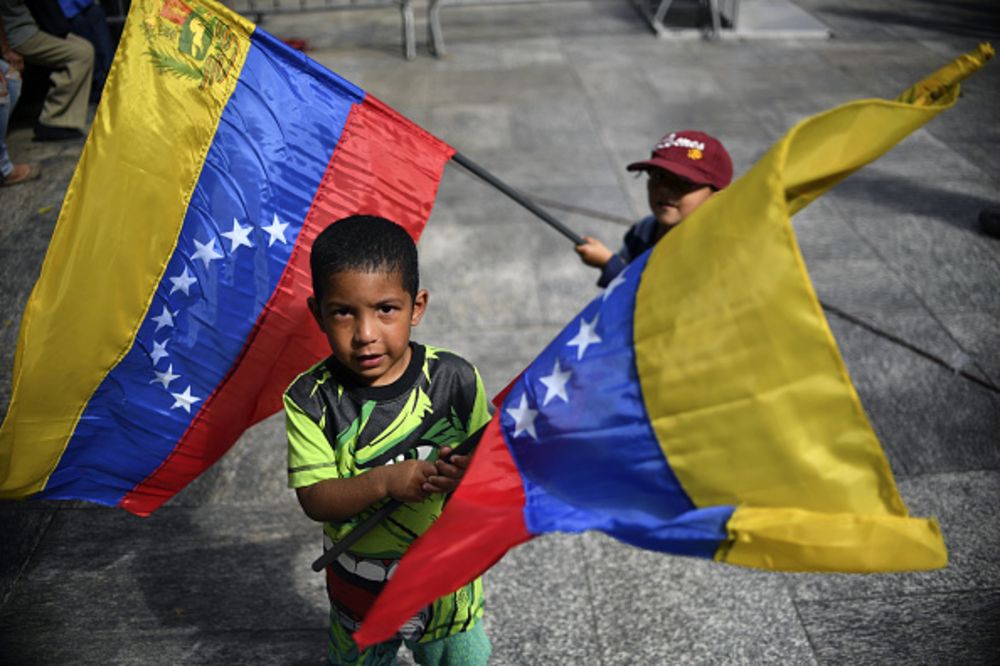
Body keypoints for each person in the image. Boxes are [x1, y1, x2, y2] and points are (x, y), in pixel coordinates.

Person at [284, 215, 493, 665]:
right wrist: (385, 481)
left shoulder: (455, 379)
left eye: (386, 309)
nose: (365, 334)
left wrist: (465, 476)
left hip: (444, 588)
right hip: (358, 590)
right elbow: (316, 499)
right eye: (343, 312)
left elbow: (494, 464)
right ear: (318, 313)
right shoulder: (310, 399)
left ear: (416, 306)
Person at [575, 130, 734, 287]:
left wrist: (609, 264)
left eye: (685, 182)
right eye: (658, 176)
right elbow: (628, 272)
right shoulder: (643, 229)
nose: (665, 189)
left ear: (717, 195)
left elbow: (658, 299)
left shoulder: (716, 254)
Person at [0, 0, 93, 141]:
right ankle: (52, 119)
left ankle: (60, 117)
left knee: (85, 46)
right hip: (18, 36)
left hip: (31, 29)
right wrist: (6, 50)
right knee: (82, 54)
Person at [57, 0, 114, 103]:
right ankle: (100, 90)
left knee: (107, 55)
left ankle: (109, 84)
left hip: (84, 5)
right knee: (92, 53)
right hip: (66, 11)